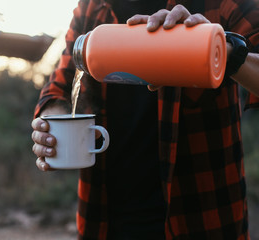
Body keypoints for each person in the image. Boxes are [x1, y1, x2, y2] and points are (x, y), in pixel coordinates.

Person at [31, 0, 259, 239]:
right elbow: (60, 86)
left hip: (202, 221)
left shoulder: (221, 3)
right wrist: (50, 125)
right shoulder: (92, 6)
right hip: (105, 222)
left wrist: (222, 49)